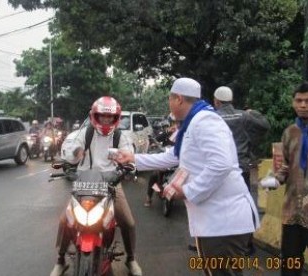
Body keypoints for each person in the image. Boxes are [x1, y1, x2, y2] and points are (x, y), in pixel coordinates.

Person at [114, 77, 260, 276]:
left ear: (179, 99)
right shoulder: (194, 121)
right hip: (214, 221)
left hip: (223, 222)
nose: (169, 104)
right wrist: (134, 158)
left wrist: (188, 191)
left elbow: (221, 164)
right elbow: (174, 156)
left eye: (170, 99)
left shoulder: (205, 121)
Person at [50, 96, 142, 276]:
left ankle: (131, 259)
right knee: (64, 220)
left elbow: (129, 156)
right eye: (102, 116)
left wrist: (128, 168)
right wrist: (74, 155)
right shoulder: (84, 133)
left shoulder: (120, 136)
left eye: (109, 117)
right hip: (84, 184)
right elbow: (72, 151)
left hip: (111, 184)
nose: (106, 120)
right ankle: (60, 261)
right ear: (95, 116)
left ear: (115, 118)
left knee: (128, 222)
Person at [262, 82, 308, 276]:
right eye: (299, 100)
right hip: (292, 212)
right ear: (293, 102)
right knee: (290, 266)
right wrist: (275, 180)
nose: (303, 105)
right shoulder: (289, 132)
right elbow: (285, 165)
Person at [213, 86, 270, 191]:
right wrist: (253, 112)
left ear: (216, 101)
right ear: (231, 100)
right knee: (242, 200)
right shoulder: (244, 115)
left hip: (219, 168)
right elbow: (264, 125)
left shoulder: (212, 117)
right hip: (242, 166)